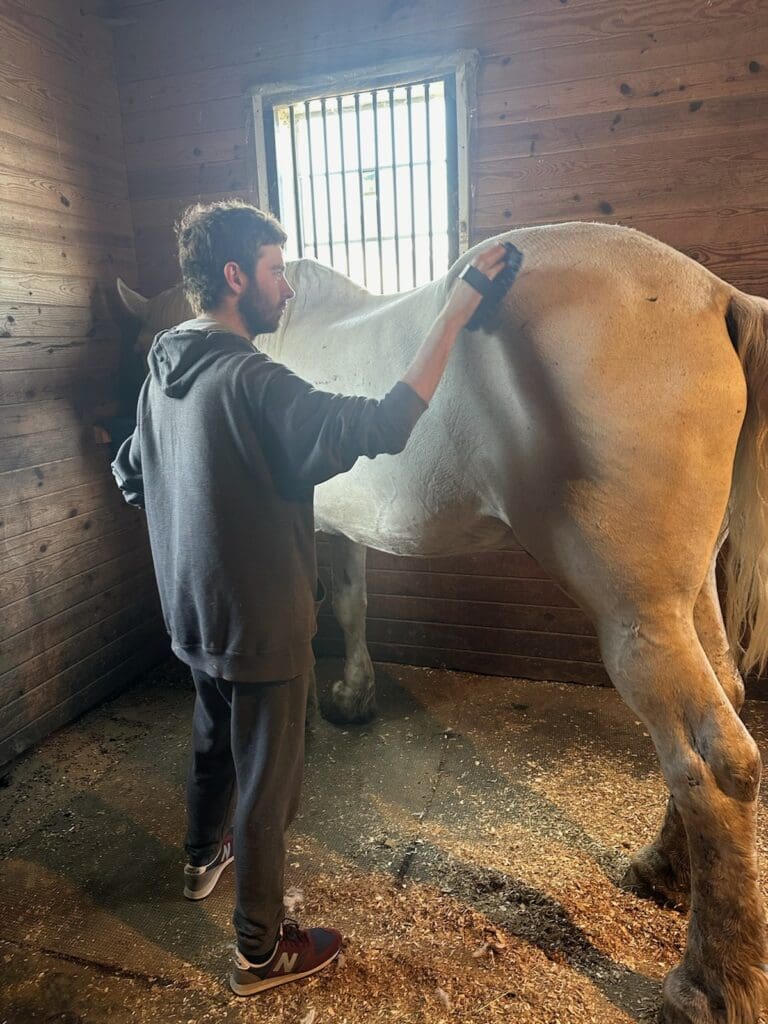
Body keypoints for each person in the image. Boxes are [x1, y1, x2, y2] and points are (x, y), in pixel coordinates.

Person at [111, 200, 510, 996]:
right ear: (234, 278)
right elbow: (387, 424)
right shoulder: (255, 381)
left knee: (210, 742)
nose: (286, 287)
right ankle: (261, 953)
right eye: (272, 271)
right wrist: (456, 308)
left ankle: (199, 861)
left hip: (191, 617)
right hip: (261, 624)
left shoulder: (163, 372)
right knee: (269, 787)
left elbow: (128, 475)